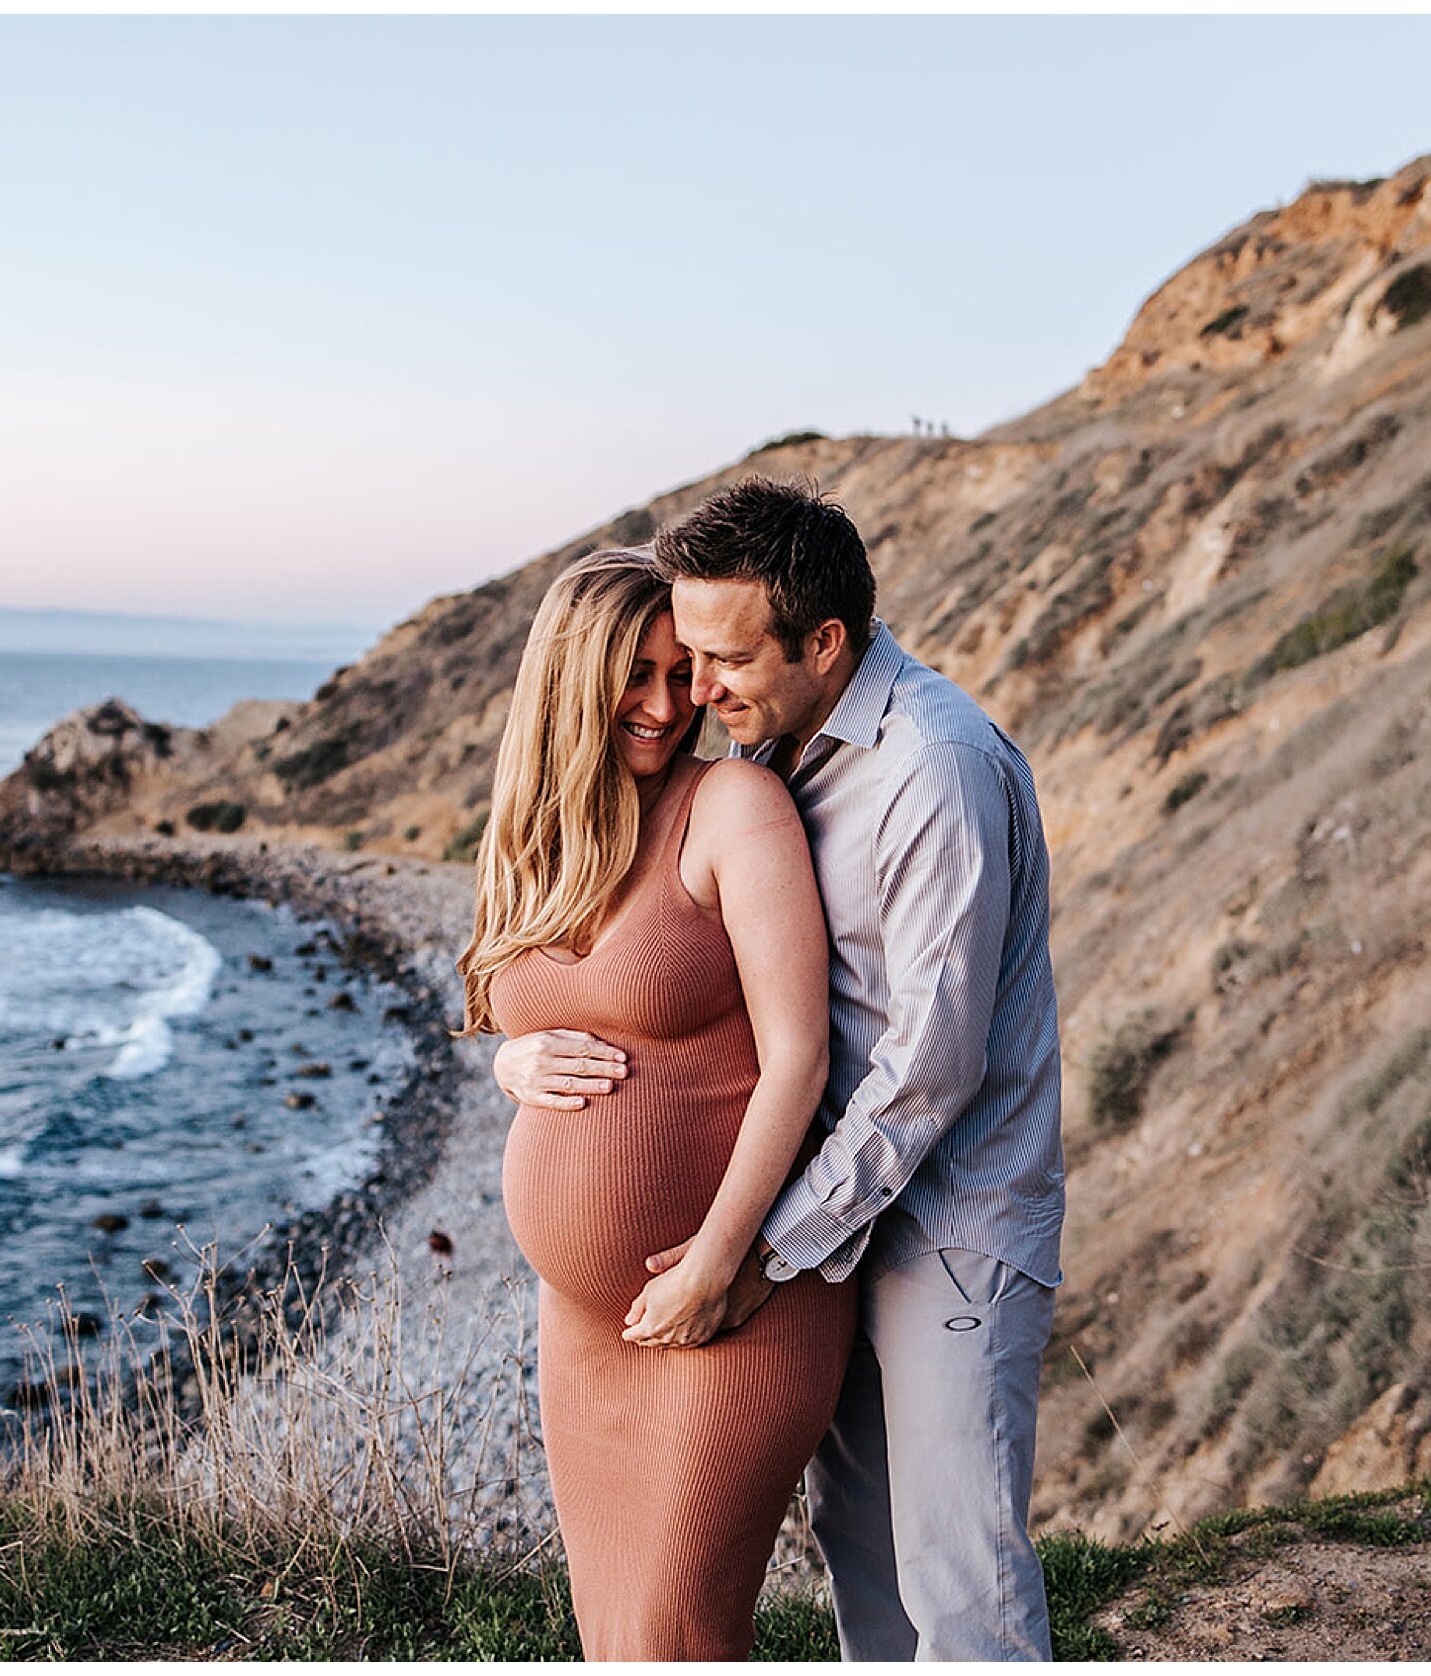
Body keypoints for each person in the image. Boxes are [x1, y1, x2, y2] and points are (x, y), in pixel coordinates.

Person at [495, 478, 1067, 1660]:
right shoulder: (784, 741)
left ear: (823, 641)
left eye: (719, 656)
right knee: (859, 1538)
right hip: (826, 1214)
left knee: (957, 1565)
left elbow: (927, 1062)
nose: (698, 691)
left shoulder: (931, 767)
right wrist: (517, 1056)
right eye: (679, 657)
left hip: (940, 1218)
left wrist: (759, 1247)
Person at [460, 547, 857, 1660]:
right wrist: (510, 1062)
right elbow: (506, 996)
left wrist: (715, 1265)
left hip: (731, 1308)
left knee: (674, 1637)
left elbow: (799, 1060)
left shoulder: (731, 804)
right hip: (583, 1325)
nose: (664, 703)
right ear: (566, 679)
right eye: (634, 673)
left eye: (680, 671)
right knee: (611, 1639)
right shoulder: (541, 831)